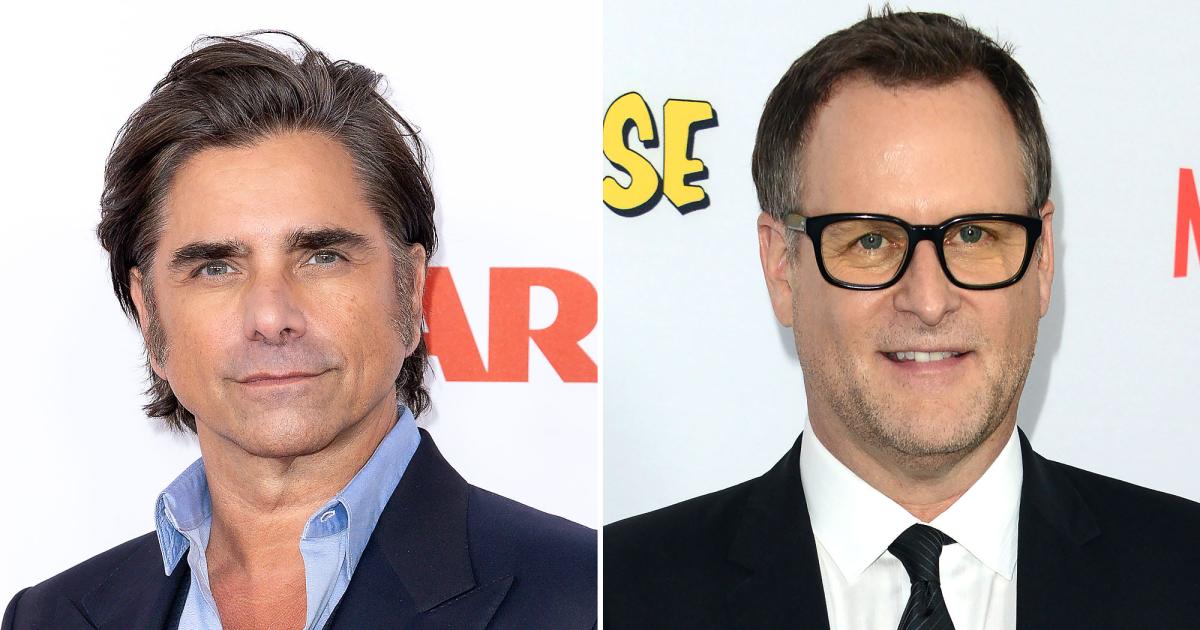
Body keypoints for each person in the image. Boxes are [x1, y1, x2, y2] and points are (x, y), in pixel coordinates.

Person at [605, 9, 1200, 629]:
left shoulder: (1186, 576)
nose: (929, 299)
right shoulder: (619, 593)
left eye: (973, 234)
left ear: (1043, 258)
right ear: (782, 267)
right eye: (870, 241)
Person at [2, 33, 595, 630]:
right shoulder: (47, 618)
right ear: (149, 312)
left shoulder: (590, 595)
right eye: (215, 267)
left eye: (322, 257)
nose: (271, 317)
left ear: (411, 288)